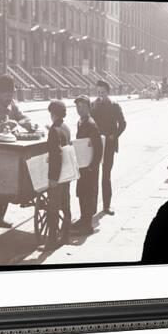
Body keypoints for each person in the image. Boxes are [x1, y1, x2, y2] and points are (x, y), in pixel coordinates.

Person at [0, 74, 33, 228]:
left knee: (10, 184)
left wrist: (28, 124)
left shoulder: (13, 105)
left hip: (9, 154)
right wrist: (1, 127)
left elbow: (22, 117)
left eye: (11, 93)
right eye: (6, 93)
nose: (9, 96)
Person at [91, 80, 127, 215]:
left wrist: (114, 136)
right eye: (98, 92)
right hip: (96, 145)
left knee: (106, 176)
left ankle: (106, 206)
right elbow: (89, 122)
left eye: (103, 93)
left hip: (109, 146)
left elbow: (123, 124)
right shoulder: (93, 105)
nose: (101, 95)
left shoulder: (114, 106)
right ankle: (92, 208)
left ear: (108, 93)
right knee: (93, 176)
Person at [71, 95, 103, 234]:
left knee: (88, 194)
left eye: (83, 107)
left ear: (89, 108)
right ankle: (83, 219)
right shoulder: (81, 122)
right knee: (81, 192)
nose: (80, 109)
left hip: (90, 167)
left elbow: (99, 147)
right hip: (83, 165)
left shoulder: (91, 124)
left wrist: (93, 166)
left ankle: (87, 225)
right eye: (78, 107)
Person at [44, 100, 72, 250]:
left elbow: (56, 156)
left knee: (53, 209)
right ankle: (65, 235)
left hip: (57, 175)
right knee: (65, 205)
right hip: (67, 174)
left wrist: (53, 178)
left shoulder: (54, 130)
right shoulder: (65, 128)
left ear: (53, 114)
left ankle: (51, 241)